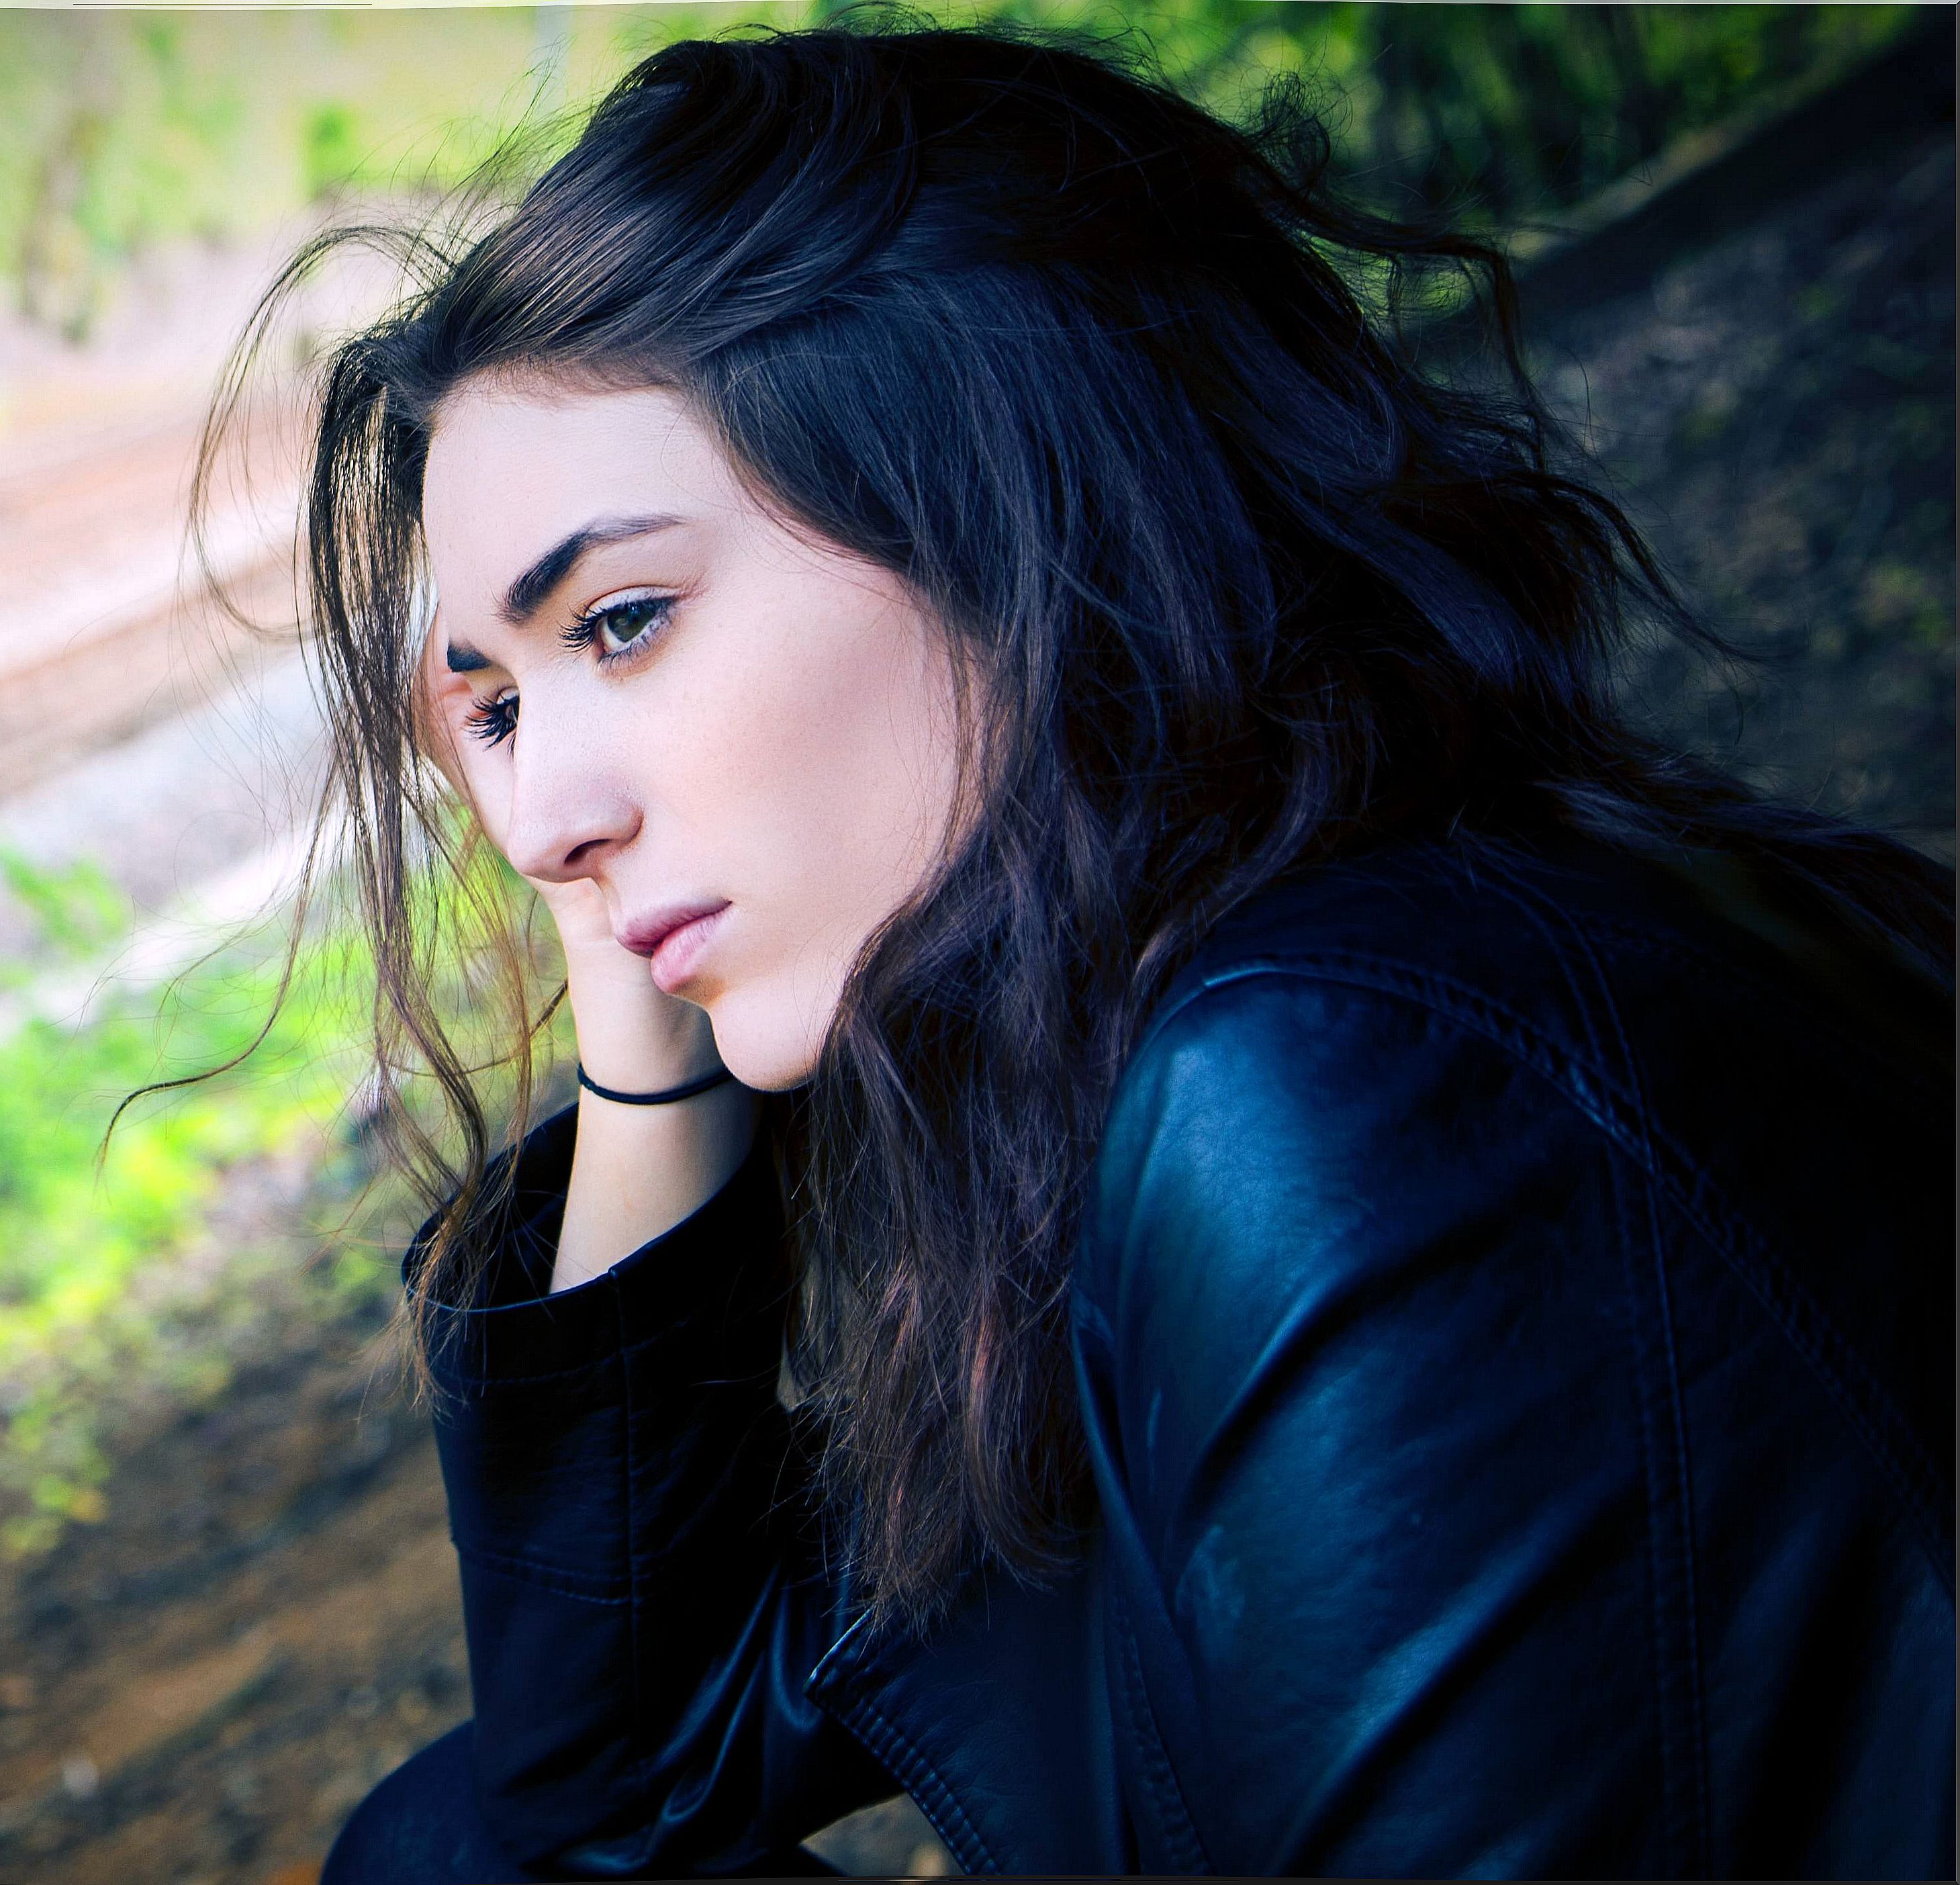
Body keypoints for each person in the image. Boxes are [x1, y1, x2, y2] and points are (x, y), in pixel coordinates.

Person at [203, 19, 1953, 1878]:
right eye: (492, 707)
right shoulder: (1164, 1031)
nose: (543, 816)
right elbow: (612, 1783)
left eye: (622, 622)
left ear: (996, 508)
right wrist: (641, 1024)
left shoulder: (1347, 1085)